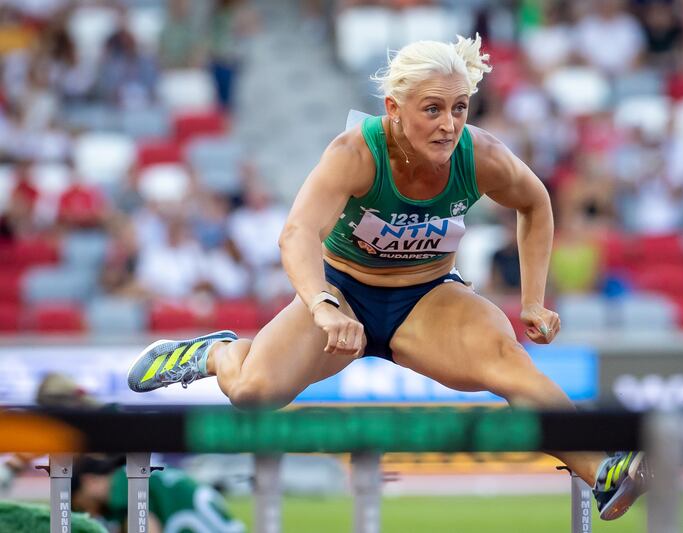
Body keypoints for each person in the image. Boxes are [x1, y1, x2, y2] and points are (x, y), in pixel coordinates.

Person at [127, 34, 649, 520]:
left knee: (507, 362)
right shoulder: (355, 153)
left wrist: (533, 299)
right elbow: (297, 234)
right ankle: (216, 352)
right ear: (394, 109)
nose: (449, 125)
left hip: (427, 298)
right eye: (432, 109)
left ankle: (602, 471)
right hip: (343, 294)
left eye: (459, 108)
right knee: (251, 391)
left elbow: (535, 203)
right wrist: (322, 305)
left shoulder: (480, 155)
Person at [70, 455, 245, 533]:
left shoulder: (123, 482)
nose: (88, 513)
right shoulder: (130, 472)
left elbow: (146, 527)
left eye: (80, 504)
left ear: (89, 482)